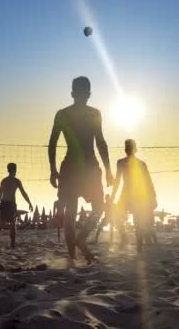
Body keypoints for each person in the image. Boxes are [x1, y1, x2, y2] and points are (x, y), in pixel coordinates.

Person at [48, 76, 113, 261]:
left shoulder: (63, 114)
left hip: (71, 168)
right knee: (98, 208)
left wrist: (52, 169)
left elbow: (52, 144)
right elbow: (101, 142)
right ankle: (82, 240)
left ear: (72, 93)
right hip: (90, 167)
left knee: (71, 213)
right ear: (89, 94)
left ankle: (73, 256)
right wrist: (108, 169)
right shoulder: (94, 113)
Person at [111, 139, 158, 252]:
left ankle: (139, 247)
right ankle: (127, 239)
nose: (126, 149)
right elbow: (117, 181)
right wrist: (113, 196)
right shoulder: (122, 162)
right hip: (129, 193)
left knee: (138, 221)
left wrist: (153, 197)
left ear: (131, 149)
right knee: (118, 217)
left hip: (136, 194)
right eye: (126, 146)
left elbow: (148, 181)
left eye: (128, 147)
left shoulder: (140, 164)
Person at [0, 163, 33, 248]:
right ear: (14, 170)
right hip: (10, 204)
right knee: (12, 224)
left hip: (4, 203)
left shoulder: (4, 180)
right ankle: (12, 244)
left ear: (8, 170)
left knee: (1, 224)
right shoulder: (16, 181)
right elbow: (23, 193)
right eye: (15, 169)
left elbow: (0, 194)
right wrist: (29, 203)